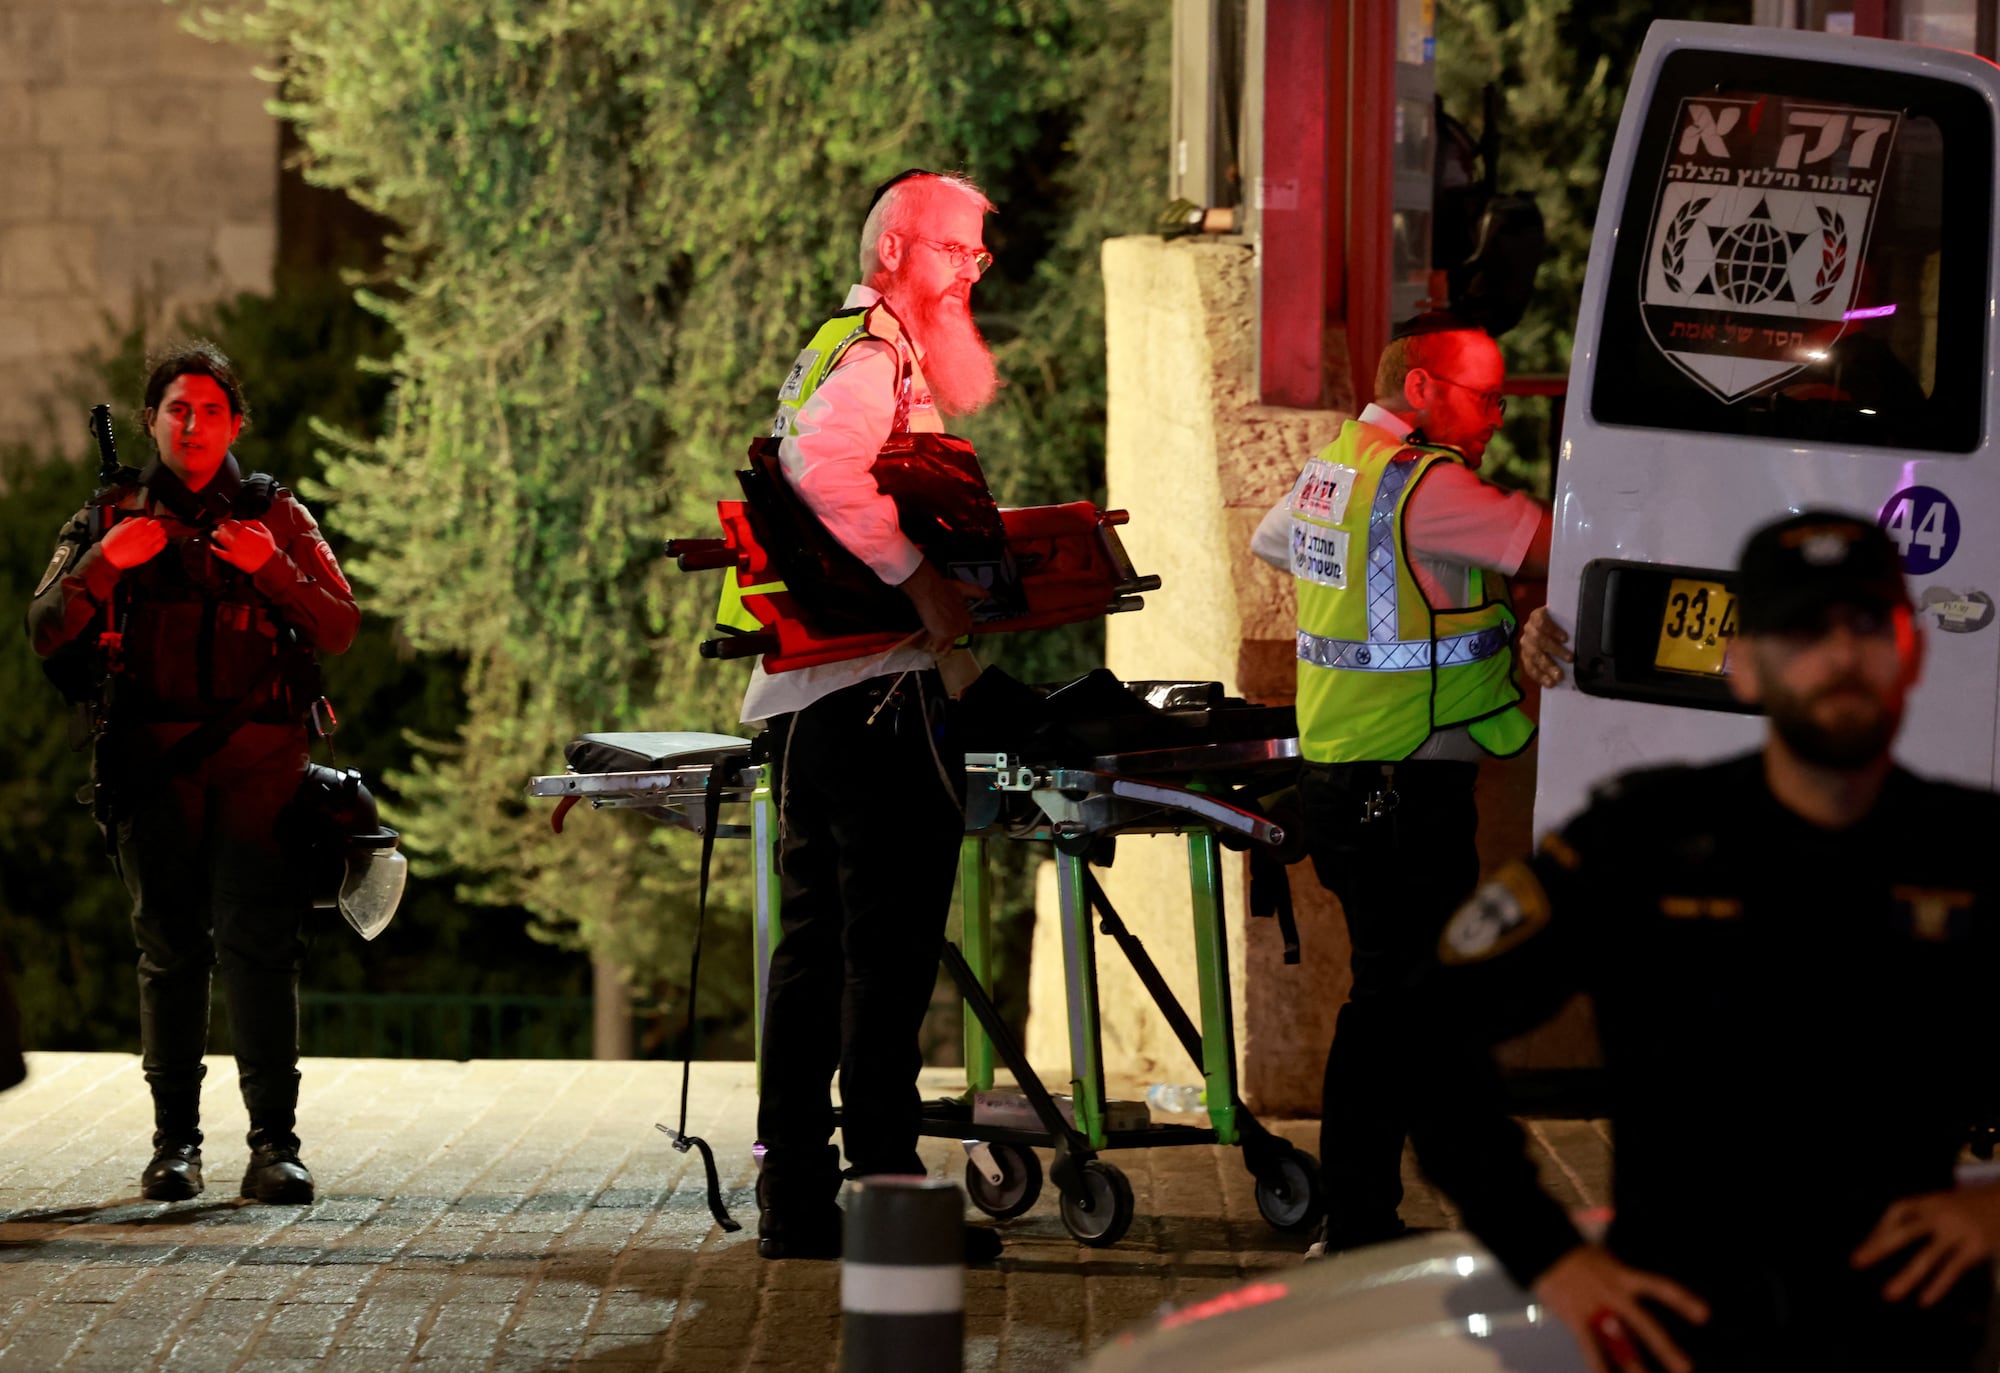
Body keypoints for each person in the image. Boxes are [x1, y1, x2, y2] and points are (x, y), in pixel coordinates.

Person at [1412, 510, 2000, 1372]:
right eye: (1802, 629)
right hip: (1680, 1332)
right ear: (1744, 666)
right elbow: (1431, 1030)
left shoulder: (1970, 849)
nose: (1840, 656)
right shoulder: (1643, 839)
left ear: (1910, 655)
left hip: (1905, 1333)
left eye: (1868, 624)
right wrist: (1550, 1257)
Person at [27, 342, 359, 1204]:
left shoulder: (275, 514)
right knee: (170, 952)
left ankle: (275, 1145)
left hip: (262, 771)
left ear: (236, 421)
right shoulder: (109, 513)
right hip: (150, 768)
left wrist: (270, 567)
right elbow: (43, 626)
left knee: (260, 951)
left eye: (212, 409)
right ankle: (174, 1146)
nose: (194, 424)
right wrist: (109, 561)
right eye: (177, 409)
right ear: (151, 420)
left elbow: (338, 623)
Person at [1249, 311, 1552, 1253]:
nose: (1498, 414)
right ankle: (1360, 1218)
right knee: (1395, 1003)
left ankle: (1381, 1207)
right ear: (1421, 388)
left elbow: (1269, 538)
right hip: (1402, 783)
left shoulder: (1336, 468)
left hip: (1350, 775)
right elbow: (1552, 547)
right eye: (1484, 394)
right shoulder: (1428, 486)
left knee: (1401, 997)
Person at [747, 170, 1001, 1262]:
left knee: (818, 955)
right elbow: (823, 470)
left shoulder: (854, 345)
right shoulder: (867, 351)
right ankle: (889, 1206)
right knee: (882, 955)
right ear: (895, 250)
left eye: (978, 256)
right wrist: (922, 583)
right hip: (870, 699)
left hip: (825, 698)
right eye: (954, 251)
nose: (969, 271)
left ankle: (800, 1201)